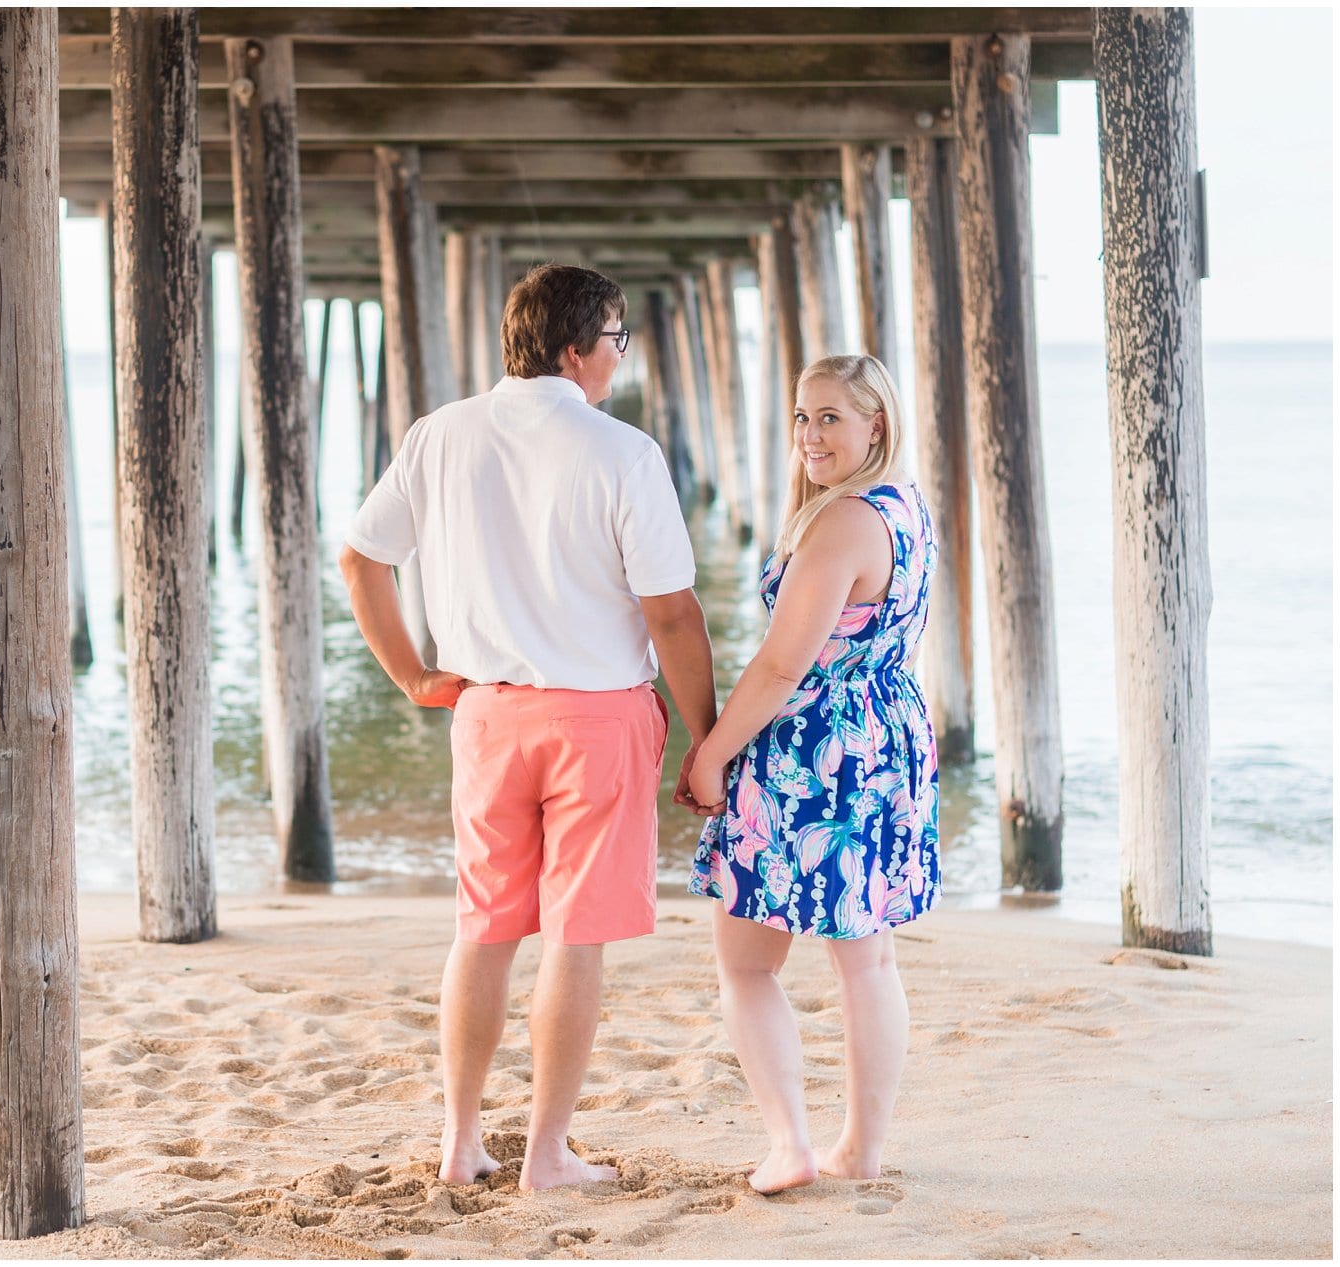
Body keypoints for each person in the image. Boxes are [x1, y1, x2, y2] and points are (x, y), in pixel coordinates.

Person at [339, 264, 718, 1193]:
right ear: (576, 349)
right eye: (617, 341)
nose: (620, 360)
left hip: (486, 715)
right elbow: (671, 613)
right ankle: (547, 1153)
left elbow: (359, 559)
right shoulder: (623, 452)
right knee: (573, 936)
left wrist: (414, 677)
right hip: (596, 719)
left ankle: (461, 1141)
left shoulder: (439, 435)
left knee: (484, 929)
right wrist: (709, 736)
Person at [683, 353, 940, 1196]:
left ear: (876, 423)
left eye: (830, 417)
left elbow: (782, 668)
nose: (809, 435)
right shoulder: (908, 508)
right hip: (885, 739)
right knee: (868, 962)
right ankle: (859, 1150)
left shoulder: (840, 525)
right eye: (801, 416)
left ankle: (791, 1143)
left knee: (747, 961)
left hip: (816, 754)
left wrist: (712, 750)